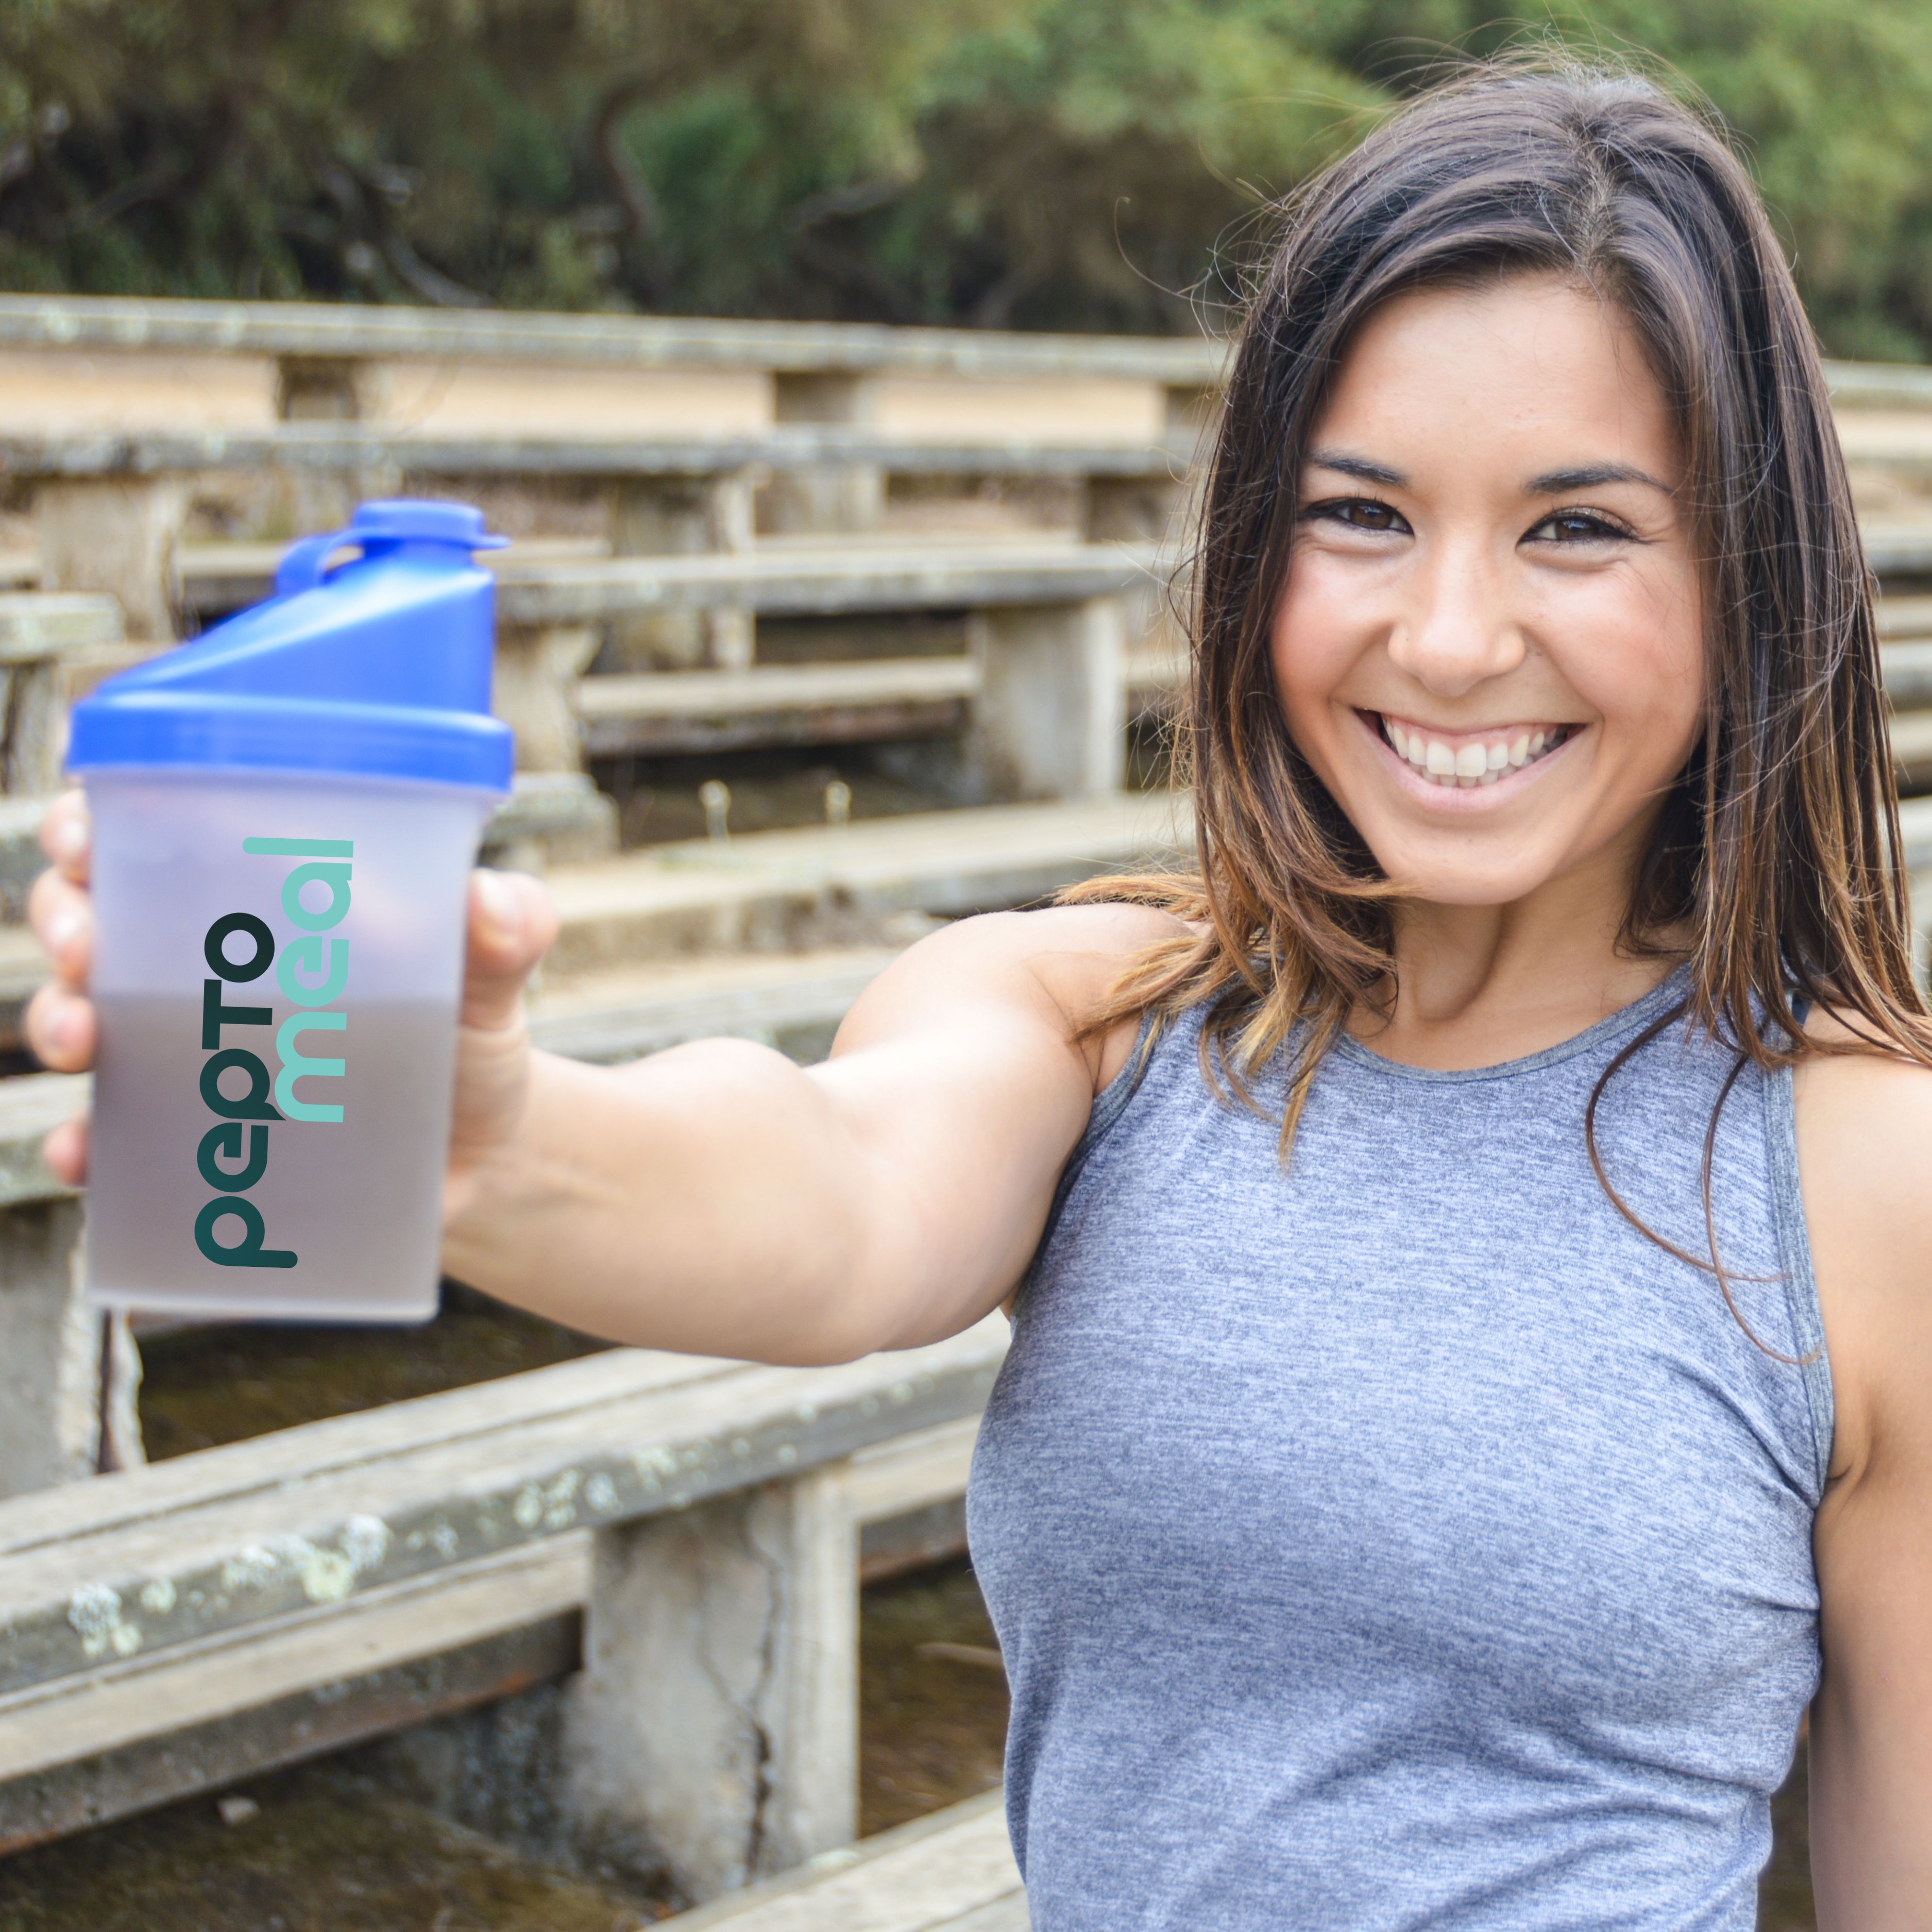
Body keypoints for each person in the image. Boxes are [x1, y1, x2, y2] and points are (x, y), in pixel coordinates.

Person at [25, 58, 1932, 1931]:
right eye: (1360, 515)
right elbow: (836, 1195)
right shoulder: (1108, 1019)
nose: (1443, 638)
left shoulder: (1863, 1175)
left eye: (1577, 528)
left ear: (1748, 579)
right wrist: (500, 1141)